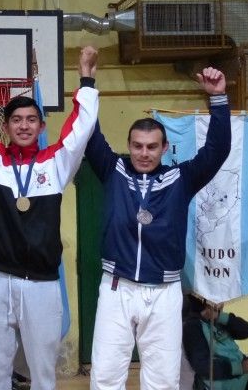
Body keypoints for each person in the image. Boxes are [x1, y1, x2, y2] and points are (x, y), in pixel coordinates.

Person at [0, 43, 99, 390]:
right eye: (16, 120)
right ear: (6, 126)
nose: (24, 126)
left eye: (31, 120)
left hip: (42, 285)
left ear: (41, 126)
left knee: (43, 375)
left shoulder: (56, 164)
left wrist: (86, 79)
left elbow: (81, 128)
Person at [84, 66, 231, 390]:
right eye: (137, 146)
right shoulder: (114, 170)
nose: (144, 153)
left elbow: (217, 150)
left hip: (164, 292)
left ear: (164, 148)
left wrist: (218, 98)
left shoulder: (181, 179)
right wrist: (87, 81)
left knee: (162, 381)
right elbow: (89, 133)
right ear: (129, 145)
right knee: (105, 377)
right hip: (117, 287)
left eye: (151, 147)